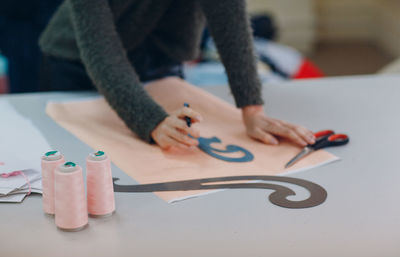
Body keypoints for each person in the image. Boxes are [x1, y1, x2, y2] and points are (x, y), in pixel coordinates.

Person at [39, 0, 316, 150]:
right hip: (77, 60)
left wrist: (252, 110)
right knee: (87, 154)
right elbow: (101, 51)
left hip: (159, 53)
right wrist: (151, 122)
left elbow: (229, 21)